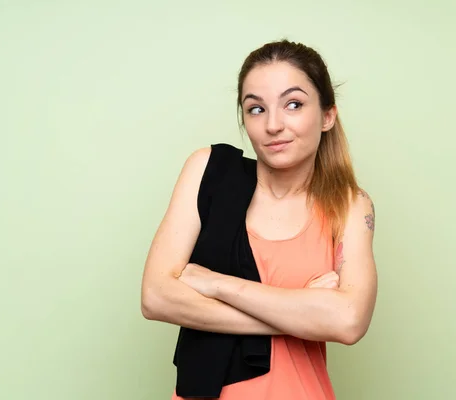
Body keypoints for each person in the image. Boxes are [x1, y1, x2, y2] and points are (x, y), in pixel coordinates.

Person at [140, 39, 378, 400]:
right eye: (255, 109)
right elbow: (156, 297)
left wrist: (214, 283)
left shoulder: (350, 205)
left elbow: (348, 321)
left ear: (327, 115)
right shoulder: (209, 172)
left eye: (293, 105)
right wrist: (301, 312)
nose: (273, 125)